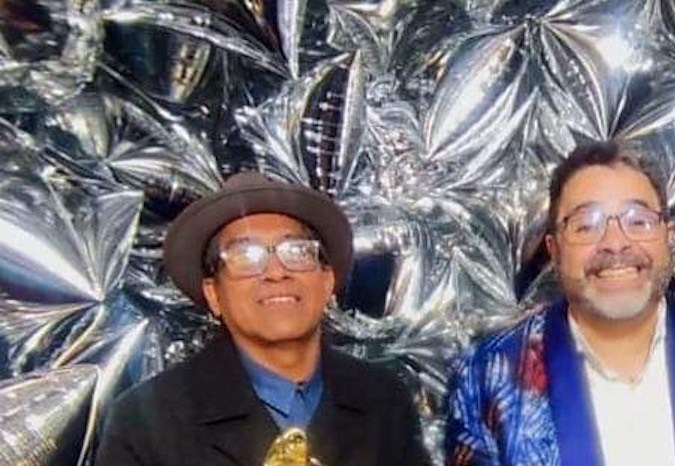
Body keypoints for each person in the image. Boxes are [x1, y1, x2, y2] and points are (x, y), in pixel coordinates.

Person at [95, 172, 430, 466]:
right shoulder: (147, 421)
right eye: (246, 255)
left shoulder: (384, 400)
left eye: (296, 251)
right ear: (214, 294)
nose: (275, 272)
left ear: (327, 280)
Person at [445, 141, 675, 465]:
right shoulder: (488, 374)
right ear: (554, 251)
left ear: (668, 236)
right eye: (587, 225)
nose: (615, 243)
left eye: (637, 221)